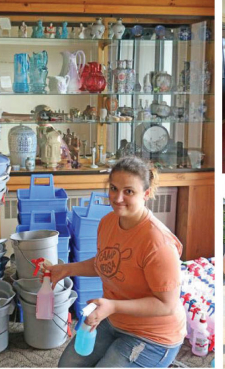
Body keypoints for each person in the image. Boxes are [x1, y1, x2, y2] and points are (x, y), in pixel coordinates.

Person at [51, 156, 184, 367]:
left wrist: (112, 306)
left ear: (146, 194)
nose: (117, 198)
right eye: (113, 188)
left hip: (153, 337)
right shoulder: (108, 221)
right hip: (115, 320)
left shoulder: (159, 243)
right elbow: (106, 263)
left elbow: (167, 305)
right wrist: (65, 269)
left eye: (128, 191)